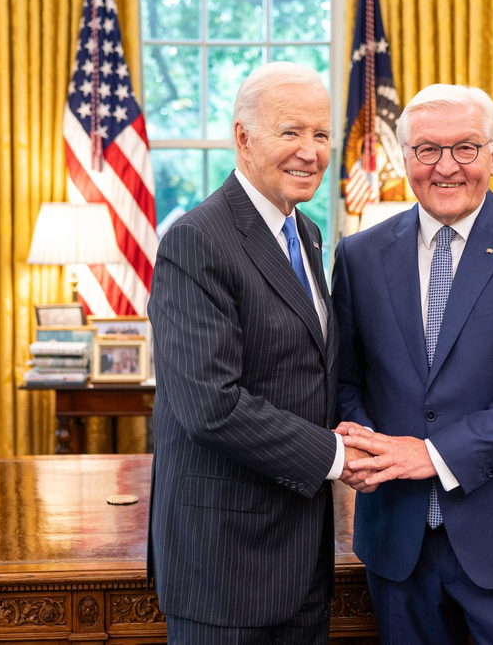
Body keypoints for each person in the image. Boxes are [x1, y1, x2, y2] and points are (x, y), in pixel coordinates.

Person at [332, 83, 493, 644]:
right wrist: (367, 445)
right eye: (427, 149)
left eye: (466, 148)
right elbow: (346, 379)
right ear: (406, 158)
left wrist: (433, 454)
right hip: (396, 543)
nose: (446, 166)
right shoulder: (358, 255)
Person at [146, 62, 364, 644]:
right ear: (243, 137)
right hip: (226, 566)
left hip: (301, 553)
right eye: (291, 132)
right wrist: (339, 458)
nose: (311, 152)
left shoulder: (308, 234)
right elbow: (209, 406)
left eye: (321, 134)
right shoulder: (197, 239)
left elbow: (310, 370)